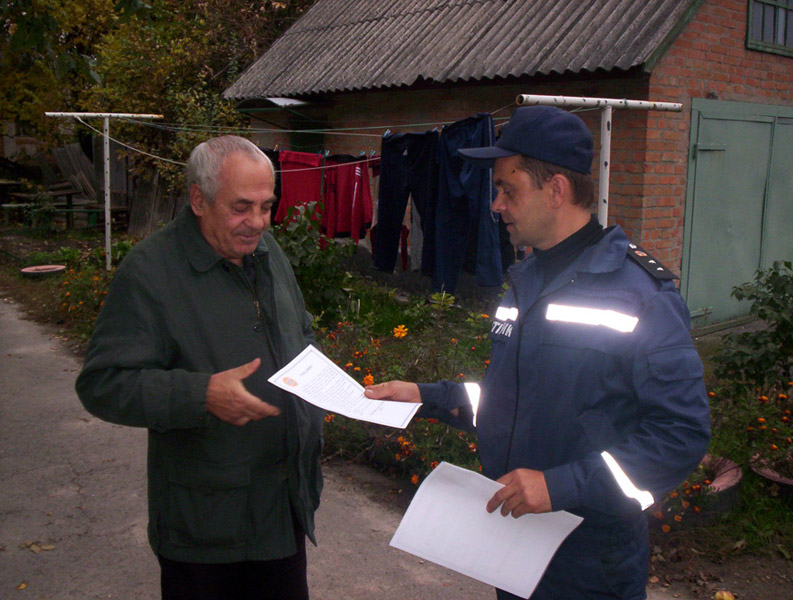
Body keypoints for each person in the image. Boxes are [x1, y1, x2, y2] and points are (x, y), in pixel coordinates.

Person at [365, 106, 710, 600]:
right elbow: (513, 398)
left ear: (557, 190)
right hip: (516, 546)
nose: (495, 205)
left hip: (590, 564)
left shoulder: (641, 296)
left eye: (509, 189)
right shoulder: (527, 281)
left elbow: (681, 434)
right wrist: (423, 395)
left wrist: (563, 486)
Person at [76, 136, 324, 600]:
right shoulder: (151, 272)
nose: (257, 223)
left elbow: (300, 333)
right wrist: (200, 394)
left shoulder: (269, 254)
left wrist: (325, 385)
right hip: (206, 526)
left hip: (282, 508)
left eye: (267, 206)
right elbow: (103, 384)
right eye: (241, 207)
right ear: (198, 200)